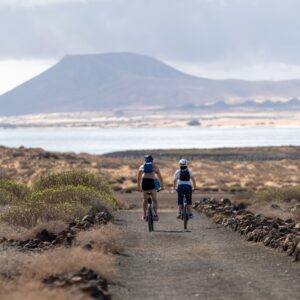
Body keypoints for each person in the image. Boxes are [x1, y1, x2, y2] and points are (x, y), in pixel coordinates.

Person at [138, 155, 164, 221]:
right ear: (152, 160)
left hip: (144, 183)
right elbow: (160, 178)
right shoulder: (155, 167)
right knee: (154, 200)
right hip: (152, 182)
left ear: (145, 160)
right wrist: (162, 186)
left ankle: (144, 215)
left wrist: (139, 187)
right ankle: (155, 214)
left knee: (145, 200)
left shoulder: (142, 166)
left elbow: (139, 178)